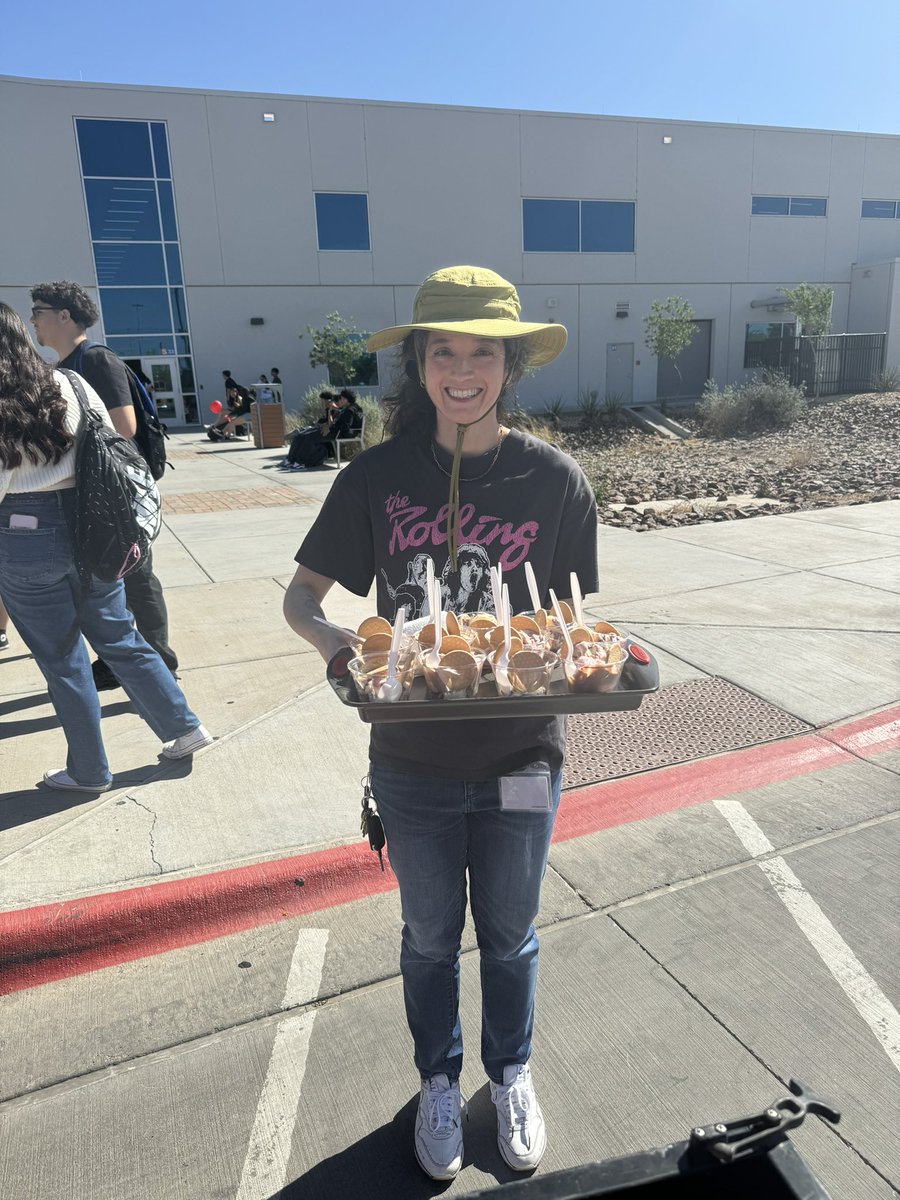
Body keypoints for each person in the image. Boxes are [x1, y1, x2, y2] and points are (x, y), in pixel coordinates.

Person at [284, 266, 598, 1181]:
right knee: (428, 939)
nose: (464, 370)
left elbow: (566, 621)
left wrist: (587, 663)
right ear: (419, 364)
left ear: (510, 365)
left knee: (510, 934)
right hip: (411, 761)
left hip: (523, 753)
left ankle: (510, 1074)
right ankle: (436, 1078)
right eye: (444, 351)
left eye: (484, 354)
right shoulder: (377, 477)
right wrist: (340, 648)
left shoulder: (556, 482)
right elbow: (302, 600)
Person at [0, 303, 213, 792]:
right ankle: (184, 726)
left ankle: (90, 771)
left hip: (25, 533)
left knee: (61, 658)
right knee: (120, 636)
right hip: (95, 524)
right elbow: (112, 441)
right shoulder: (69, 384)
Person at [30, 282, 179, 691]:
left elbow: (124, 428)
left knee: (134, 573)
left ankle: (159, 663)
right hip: (95, 489)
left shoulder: (95, 360)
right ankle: (121, 659)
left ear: (64, 315)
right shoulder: (66, 365)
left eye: (38, 311)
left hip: (116, 490)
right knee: (106, 577)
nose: (33, 321)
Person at [280, 388, 361, 471]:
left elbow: (345, 426)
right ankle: (291, 460)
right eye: (341, 398)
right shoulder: (347, 409)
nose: (341, 400)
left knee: (308, 437)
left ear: (347, 400)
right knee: (301, 435)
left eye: (343, 399)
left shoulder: (350, 410)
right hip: (334, 431)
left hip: (338, 433)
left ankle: (301, 462)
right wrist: (327, 426)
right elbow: (337, 423)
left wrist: (329, 428)